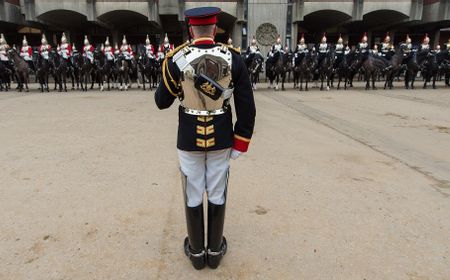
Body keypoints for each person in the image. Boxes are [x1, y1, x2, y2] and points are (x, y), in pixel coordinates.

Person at [155, 6, 256, 270]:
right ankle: (215, 252)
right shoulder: (233, 58)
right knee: (217, 189)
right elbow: (246, 104)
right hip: (222, 137)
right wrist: (241, 141)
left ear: (191, 29)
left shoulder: (176, 59)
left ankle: (197, 254)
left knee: (192, 190)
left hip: (188, 138)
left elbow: (161, 102)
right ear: (215, 29)